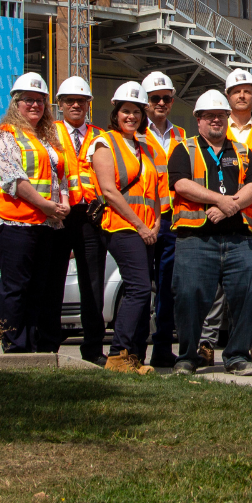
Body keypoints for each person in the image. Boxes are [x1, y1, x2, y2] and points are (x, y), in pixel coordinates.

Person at [168, 90, 252, 376]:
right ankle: (187, 356)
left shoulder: (243, 152)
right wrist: (218, 199)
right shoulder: (184, 148)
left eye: (220, 116)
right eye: (209, 116)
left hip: (237, 239)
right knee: (189, 296)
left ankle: (236, 356)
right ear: (198, 120)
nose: (215, 121)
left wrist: (228, 207)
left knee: (246, 295)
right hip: (196, 238)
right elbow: (181, 184)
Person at [0, 73, 70, 353]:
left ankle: (33, 345)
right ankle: (15, 346)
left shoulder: (46, 137)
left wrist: (63, 202)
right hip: (12, 221)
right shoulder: (6, 135)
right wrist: (46, 206)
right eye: (28, 100)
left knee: (38, 287)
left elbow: (60, 177)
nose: (34, 105)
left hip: (45, 223)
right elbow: (14, 180)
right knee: (16, 286)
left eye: (40, 101)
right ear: (16, 104)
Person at [197, 68, 252, 367]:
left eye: (248, 90)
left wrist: (237, 204)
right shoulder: (216, 127)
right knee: (214, 285)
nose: (242, 95)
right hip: (216, 214)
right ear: (227, 97)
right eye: (236, 91)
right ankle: (207, 343)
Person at [88, 82, 161, 374]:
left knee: (144, 292)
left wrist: (155, 223)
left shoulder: (143, 147)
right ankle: (118, 354)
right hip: (122, 227)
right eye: (125, 111)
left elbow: (154, 190)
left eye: (136, 112)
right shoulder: (104, 142)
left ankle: (135, 357)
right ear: (116, 113)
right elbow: (110, 191)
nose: (131, 116)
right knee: (139, 289)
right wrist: (142, 225)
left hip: (146, 228)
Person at [50, 76, 108, 365]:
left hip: (90, 217)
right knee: (52, 280)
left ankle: (94, 347)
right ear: (60, 104)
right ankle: (47, 343)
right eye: (69, 101)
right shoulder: (49, 132)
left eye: (81, 101)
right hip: (58, 215)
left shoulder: (100, 135)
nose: (75, 105)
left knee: (92, 284)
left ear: (88, 105)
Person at [141, 71, 186, 367]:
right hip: (143, 220)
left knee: (169, 288)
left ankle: (161, 349)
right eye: (154, 98)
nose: (160, 103)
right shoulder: (133, 132)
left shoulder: (182, 135)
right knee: (141, 287)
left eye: (165, 98)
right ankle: (132, 349)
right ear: (145, 103)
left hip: (173, 221)